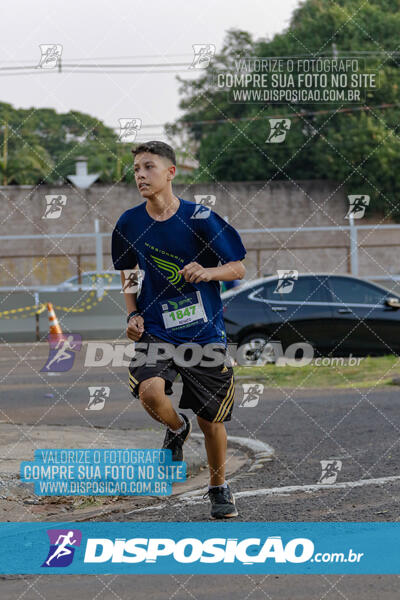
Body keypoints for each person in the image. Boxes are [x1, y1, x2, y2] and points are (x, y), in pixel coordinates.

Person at [111, 141, 246, 519]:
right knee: (151, 393)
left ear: (171, 172)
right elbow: (127, 272)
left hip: (204, 332)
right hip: (158, 329)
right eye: (136, 168)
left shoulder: (201, 218)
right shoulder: (129, 223)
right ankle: (175, 426)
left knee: (212, 418)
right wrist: (132, 314)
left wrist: (208, 272)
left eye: (148, 167)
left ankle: (219, 487)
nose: (140, 174)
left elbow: (238, 268)